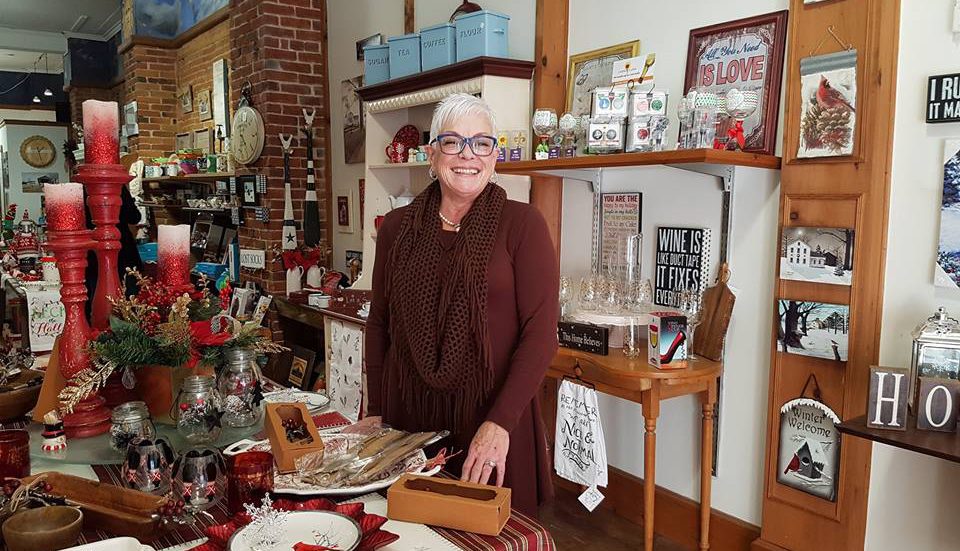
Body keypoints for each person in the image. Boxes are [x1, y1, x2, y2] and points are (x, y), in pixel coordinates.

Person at [365, 93, 559, 516]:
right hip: (410, 421)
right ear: (433, 156)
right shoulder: (397, 228)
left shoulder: (523, 225)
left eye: (482, 143)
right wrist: (377, 411)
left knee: (492, 535)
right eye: (453, 142)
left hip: (493, 419)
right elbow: (380, 323)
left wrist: (500, 423)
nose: (468, 155)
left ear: (495, 156)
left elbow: (540, 336)